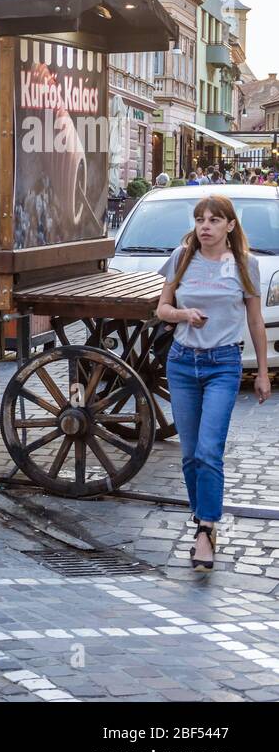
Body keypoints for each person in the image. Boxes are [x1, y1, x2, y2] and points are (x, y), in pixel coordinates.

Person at [156, 195, 271, 573]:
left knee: (209, 450)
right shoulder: (181, 257)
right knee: (189, 454)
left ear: (230, 226)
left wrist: (264, 373)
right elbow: (162, 309)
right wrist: (184, 314)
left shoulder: (245, 265)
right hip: (182, 363)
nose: (205, 226)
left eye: (214, 220)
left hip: (223, 363)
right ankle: (200, 514)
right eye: (200, 219)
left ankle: (206, 528)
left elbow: (255, 321)